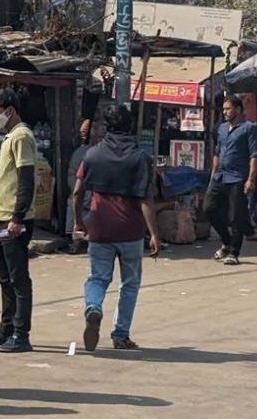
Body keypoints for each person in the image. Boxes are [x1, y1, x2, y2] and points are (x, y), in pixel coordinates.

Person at [72, 104, 160, 352]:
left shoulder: (92, 155)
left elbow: (77, 192)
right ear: (130, 126)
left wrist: (79, 221)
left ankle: (93, 307)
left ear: (106, 127)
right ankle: (120, 335)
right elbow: (145, 199)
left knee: (97, 277)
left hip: (100, 227)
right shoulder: (141, 158)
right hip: (130, 231)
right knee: (130, 283)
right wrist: (154, 234)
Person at [0, 88, 36, 354]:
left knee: (18, 277)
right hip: (1, 216)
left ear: (9, 110)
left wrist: (18, 217)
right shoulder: (10, 136)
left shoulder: (22, 136)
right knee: (4, 275)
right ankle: (6, 327)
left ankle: (21, 334)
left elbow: (26, 179)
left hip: (14, 218)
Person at [207, 95, 257, 265]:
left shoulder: (249, 128)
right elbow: (217, 152)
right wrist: (213, 175)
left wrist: (251, 179)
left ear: (238, 109)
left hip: (238, 178)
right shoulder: (222, 128)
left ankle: (234, 252)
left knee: (236, 216)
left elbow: (255, 155)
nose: (225, 112)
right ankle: (227, 240)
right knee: (209, 208)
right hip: (220, 177)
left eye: (228, 109)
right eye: (223, 109)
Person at [65, 119, 97, 244]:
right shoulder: (82, 153)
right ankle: (74, 241)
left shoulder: (100, 152)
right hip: (83, 193)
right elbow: (73, 178)